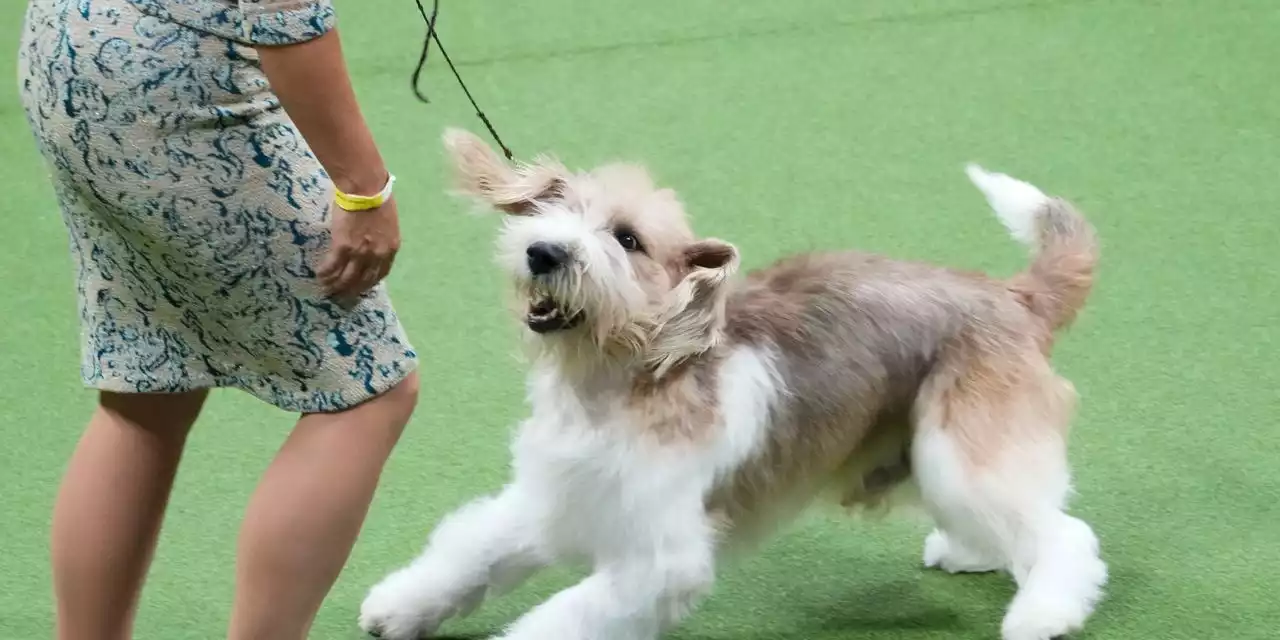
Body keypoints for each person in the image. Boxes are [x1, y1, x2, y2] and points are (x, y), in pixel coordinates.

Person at [17, 0, 420, 638]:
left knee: (146, 390)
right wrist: (364, 188)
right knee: (368, 391)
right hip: (176, 89)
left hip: (72, 51)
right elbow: (286, 12)